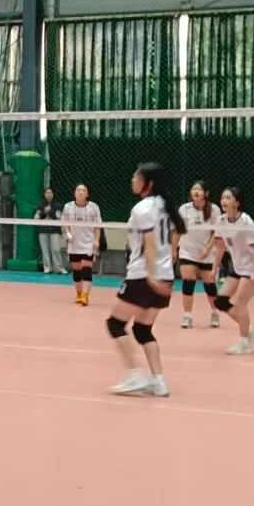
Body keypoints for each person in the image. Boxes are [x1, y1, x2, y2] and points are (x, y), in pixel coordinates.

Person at [106, 163, 183, 397]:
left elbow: (150, 245)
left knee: (115, 324)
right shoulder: (165, 206)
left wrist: (151, 276)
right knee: (142, 329)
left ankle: (134, 375)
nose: (132, 180)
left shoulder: (143, 208)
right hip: (166, 275)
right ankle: (158, 381)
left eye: (135, 177)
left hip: (144, 275)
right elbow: (173, 235)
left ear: (148, 183)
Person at [212, 187, 254, 356]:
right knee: (220, 301)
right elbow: (220, 248)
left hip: (251, 267)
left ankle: (244, 342)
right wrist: (214, 268)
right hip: (237, 268)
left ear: (237, 202)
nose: (223, 201)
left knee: (240, 304)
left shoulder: (246, 221)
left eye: (228, 198)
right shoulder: (221, 221)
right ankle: (251, 331)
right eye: (222, 197)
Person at [173, 180, 220, 329]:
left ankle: (215, 312)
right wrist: (173, 249)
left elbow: (217, 232)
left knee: (209, 284)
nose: (196, 192)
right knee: (188, 281)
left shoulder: (214, 209)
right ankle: (187, 316)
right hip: (187, 251)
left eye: (199, 189)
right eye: (193, 189)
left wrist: (208, 249)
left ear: (206, 193)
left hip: (207, 252)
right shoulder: (184, 209)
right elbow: (178, 230)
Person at [62, 184, 101, 307]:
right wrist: (67, 233)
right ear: (75, 193)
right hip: (74, 244)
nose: (80, 192)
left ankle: (85, 296)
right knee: (76, 272)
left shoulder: (94, 207)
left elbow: (98, 226)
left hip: (88, 243)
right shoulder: (68, 207)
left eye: (83, 190)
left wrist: (96, 240)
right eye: (78, 190)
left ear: (87, 194)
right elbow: (65, 223)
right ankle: (79, 294)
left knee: (86, 270)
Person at [34, 187, 66, 275]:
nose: (49, 194)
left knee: (56, 250)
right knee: (45, 250)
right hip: (42, 231)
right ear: (44, 194)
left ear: (53, 194)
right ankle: (47, 268)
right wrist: (44, 212)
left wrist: (50, 211)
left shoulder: (58, 204)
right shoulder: (40, 205)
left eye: (51, 193)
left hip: (55, 231)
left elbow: (60, 217)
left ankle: (59, 269)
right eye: (47, 193)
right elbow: (36, 217)